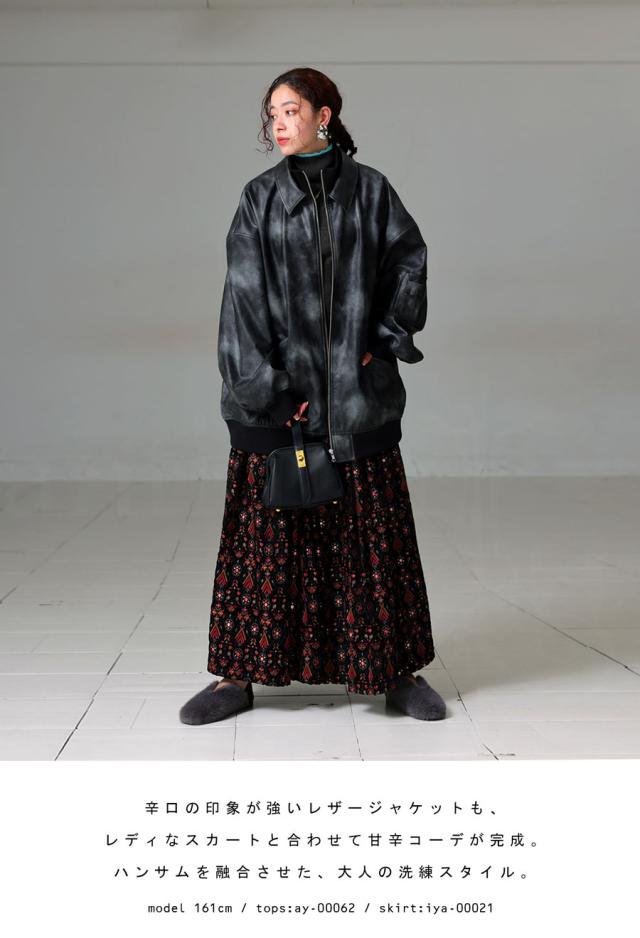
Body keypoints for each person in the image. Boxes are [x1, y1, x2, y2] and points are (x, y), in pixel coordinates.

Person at [180, 67, 446, 727]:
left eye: (291, 110)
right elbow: (241, 301)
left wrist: (382, 336)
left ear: (324, 115)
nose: (278, 123)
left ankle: (393, 670)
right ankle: (237, 676)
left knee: (370, 540)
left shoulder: (372, 192)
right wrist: (270, 390)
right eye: (272, 113)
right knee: (265, 544)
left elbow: (408, 263)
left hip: (356, 400)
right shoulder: (259, 199)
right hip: (280, 402)